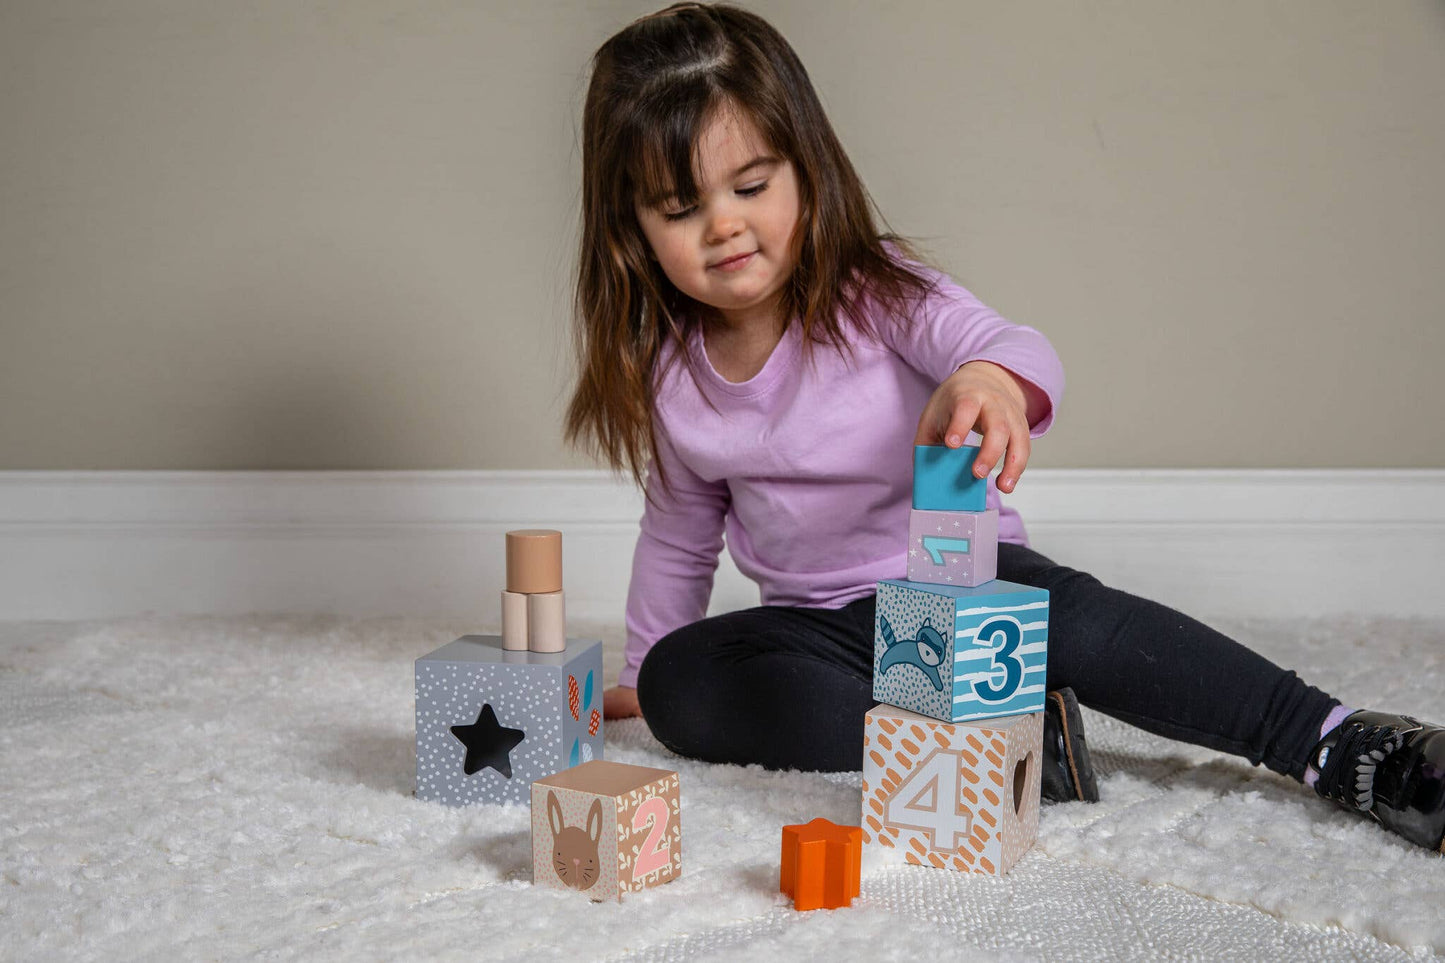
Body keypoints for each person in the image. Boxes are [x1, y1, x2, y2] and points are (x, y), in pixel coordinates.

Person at [561, 1, 1444, 852]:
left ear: (806, 167)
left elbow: (1001, 342)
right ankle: (996, 745)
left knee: (1086, 624)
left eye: (751, 185)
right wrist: (643, 666)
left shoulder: (875, 291)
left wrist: (989, 379)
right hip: (827, 634)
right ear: (631, 231)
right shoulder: (673, 376)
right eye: (679, 209)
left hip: (964, 589)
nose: (724, 224)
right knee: (687, 684)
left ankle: (1333, 741)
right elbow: (678, 533)